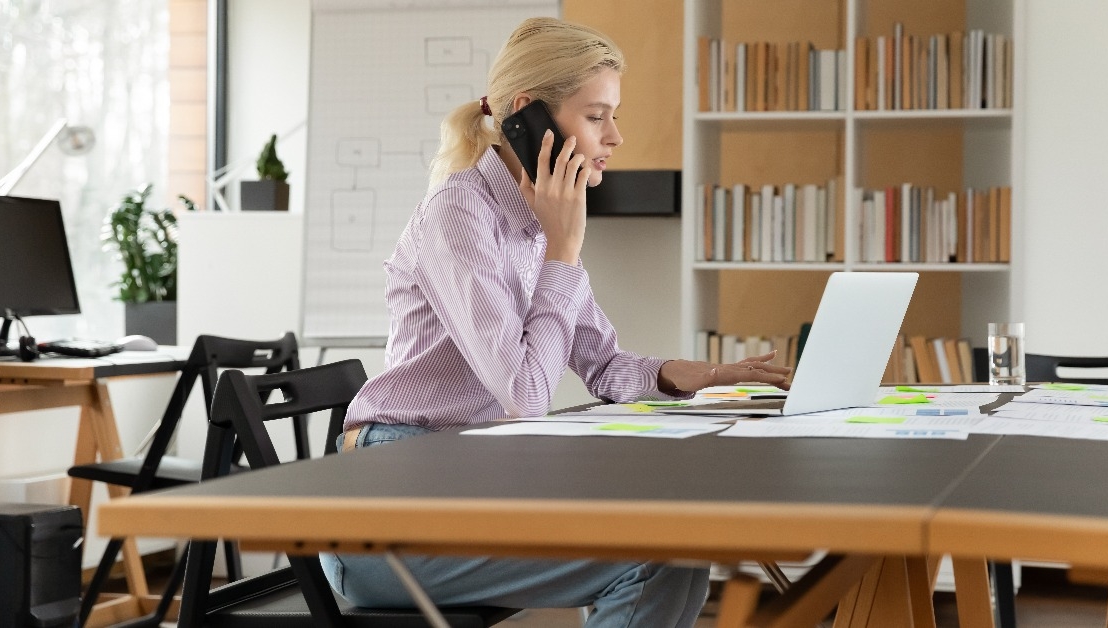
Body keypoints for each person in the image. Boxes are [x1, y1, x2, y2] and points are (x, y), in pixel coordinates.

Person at [320, 16, 792, 627]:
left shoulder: (535, 221)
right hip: (391, 513)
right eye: (597, 116)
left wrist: (702, 375)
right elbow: (524, 399)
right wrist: (564, 251)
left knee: (674, 544)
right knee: (657, 558)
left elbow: (604, 363)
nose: (615, 136)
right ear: (528, 116)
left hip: (465, 481)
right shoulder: (458, 214)